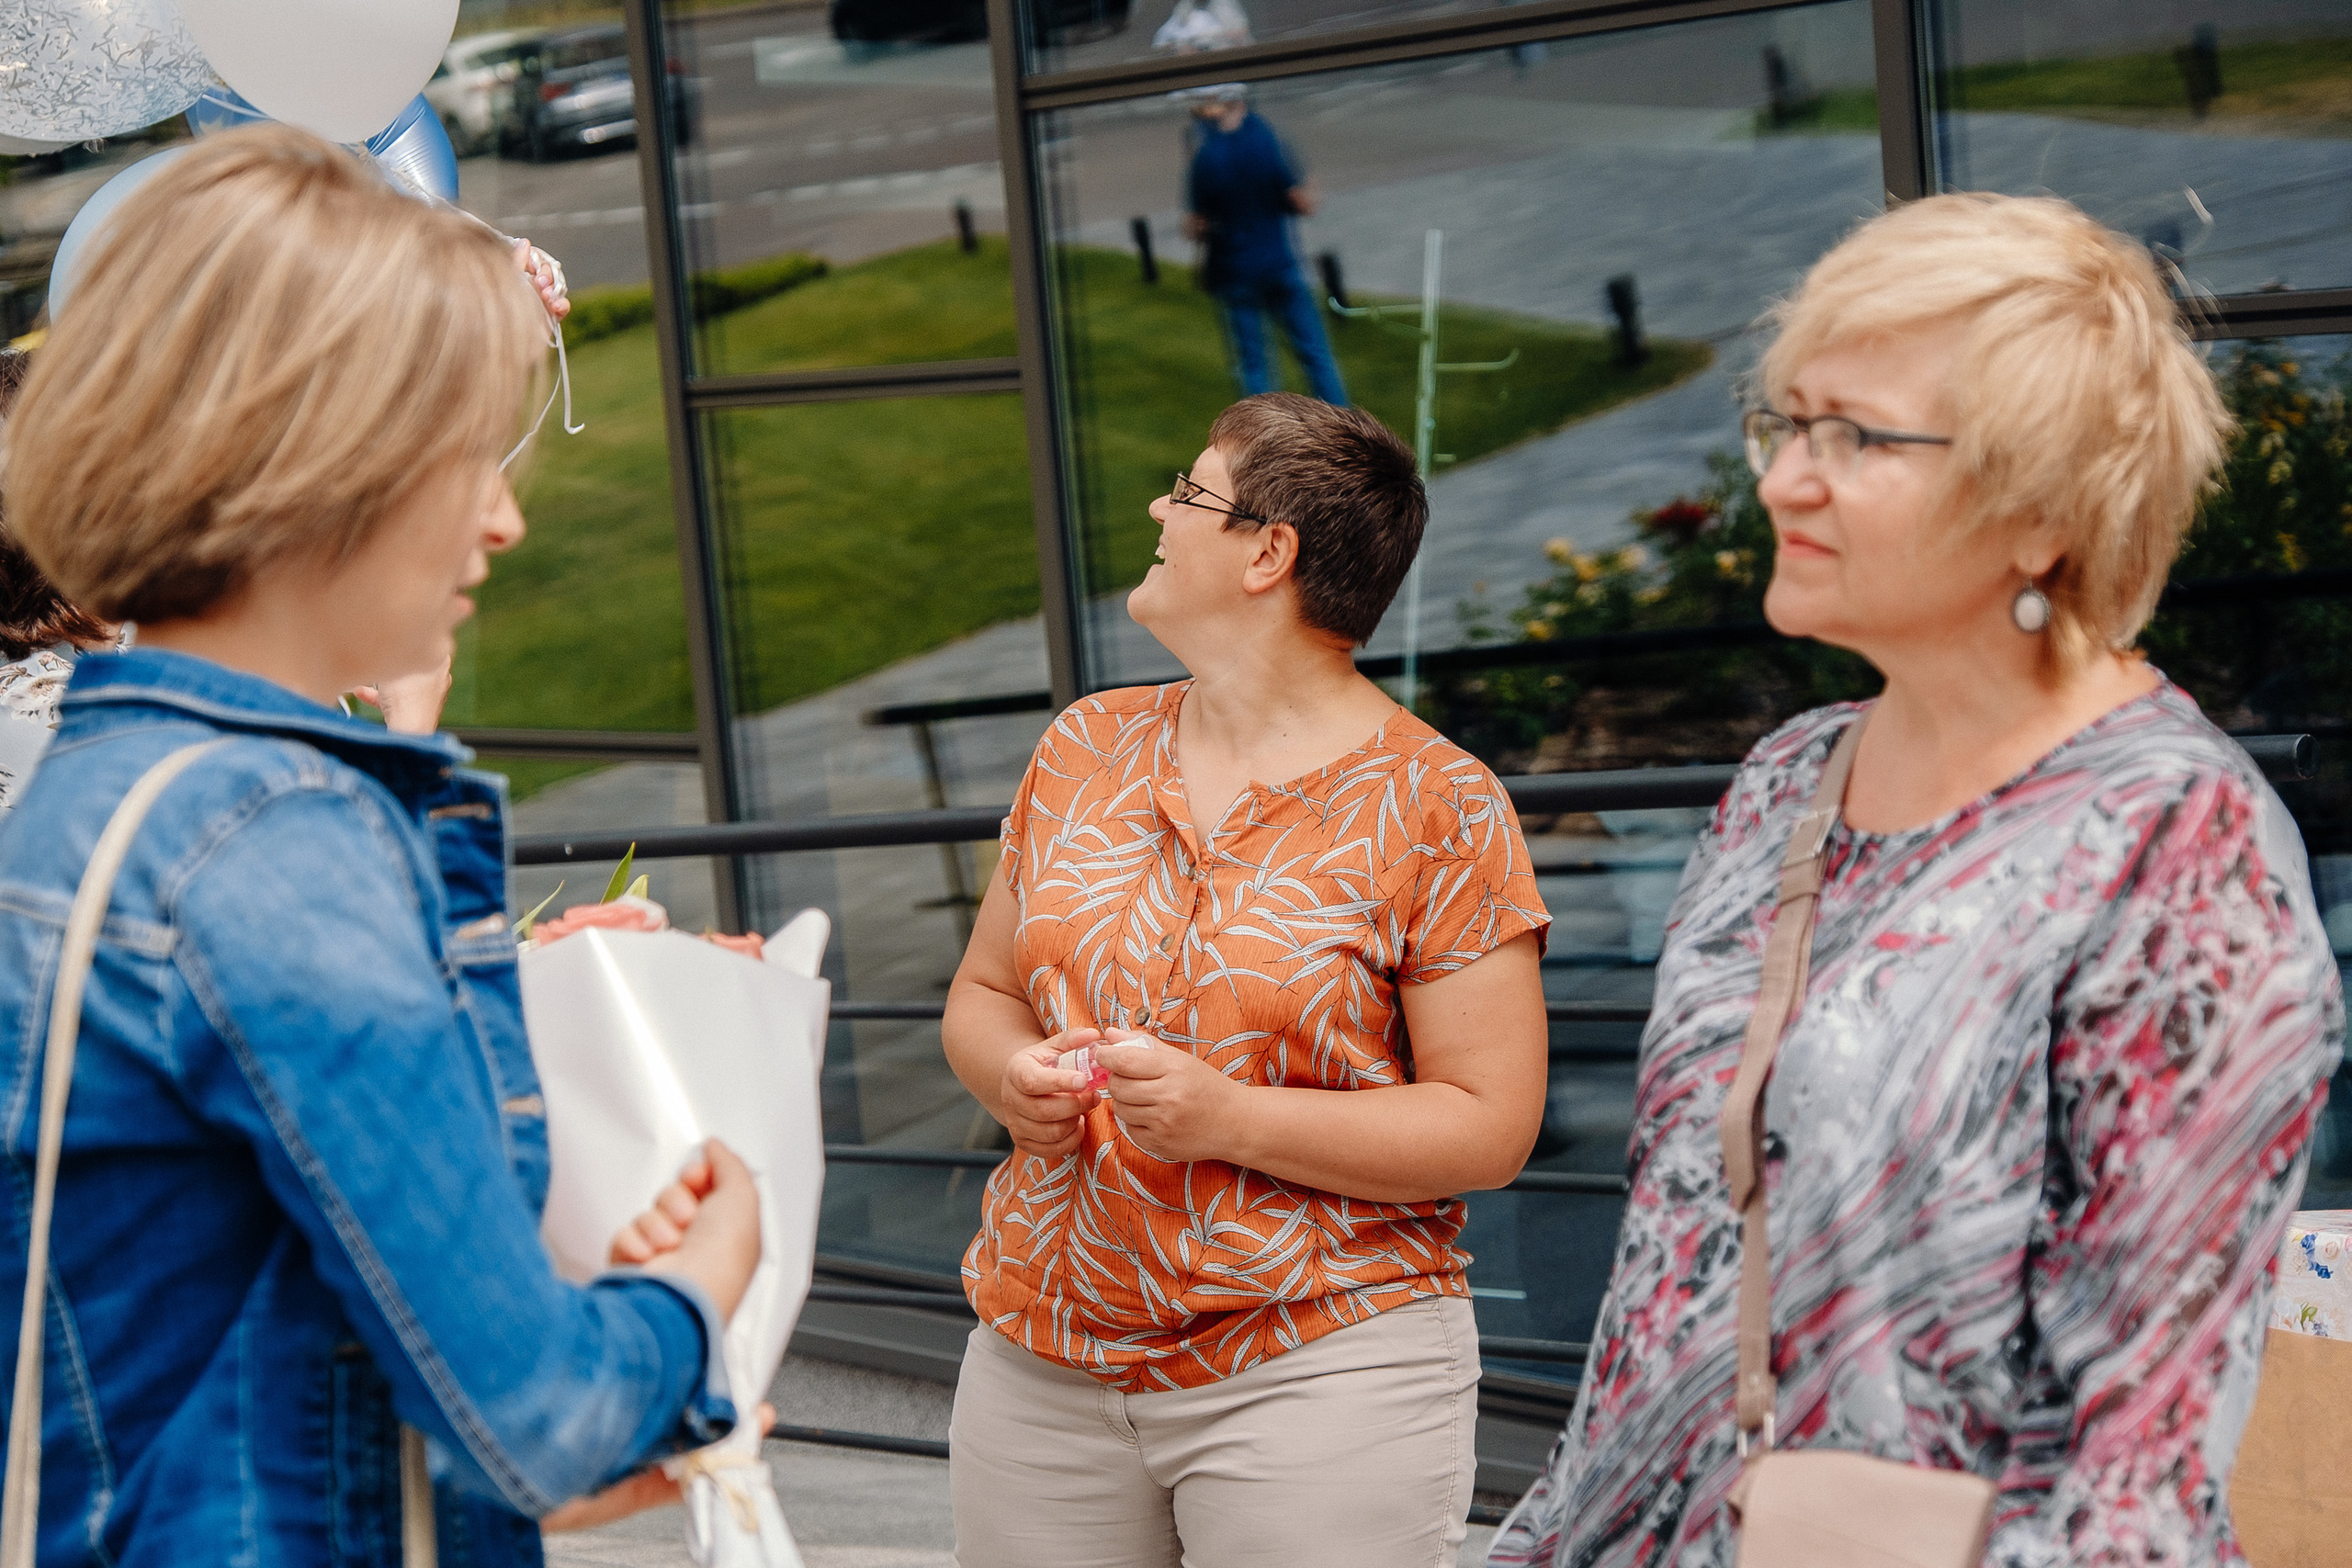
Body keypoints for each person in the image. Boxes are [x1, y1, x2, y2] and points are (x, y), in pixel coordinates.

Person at [1487, 193, 2344, 1567]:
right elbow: (1676, 1278)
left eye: (1859, 437)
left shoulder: (2180, 851)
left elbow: (2137, 1471)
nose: (1784, 479)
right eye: (1788, 422)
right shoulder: (1789, 779)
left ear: (2040, 515)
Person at [0, 125, 762, 1563]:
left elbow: (238, 1312)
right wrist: (702, 1295)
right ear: (317, 468)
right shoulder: (272, 836)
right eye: (464, 455)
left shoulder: (101, 787)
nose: (504, 516)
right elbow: (537, 1409)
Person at [944, 391, 1550, 1566]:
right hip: (1040, 1354)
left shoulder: (1440, 804)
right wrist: (1009, 1075)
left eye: (1190, 489)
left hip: (1321, 1362)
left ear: (1269, 552)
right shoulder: (1080, 747)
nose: (1160, 509)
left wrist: (1229, 1120)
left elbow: (1489, 1124)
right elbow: (983, 991)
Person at [0, 235, 571, 813]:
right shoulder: (60, 721)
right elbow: (340, 882)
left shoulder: (127, 643)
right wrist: (412, 725)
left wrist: (468, 308)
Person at [1184, 87, 1349, 407]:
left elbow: (1197, 224)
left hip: (1234, 271)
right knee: (1315, 355)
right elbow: (1301, 203)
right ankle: (1343, 431)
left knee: (1255, 367)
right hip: (1279, 263)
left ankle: (1262, 442)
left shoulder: (1206, 157)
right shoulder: (1266, 142)